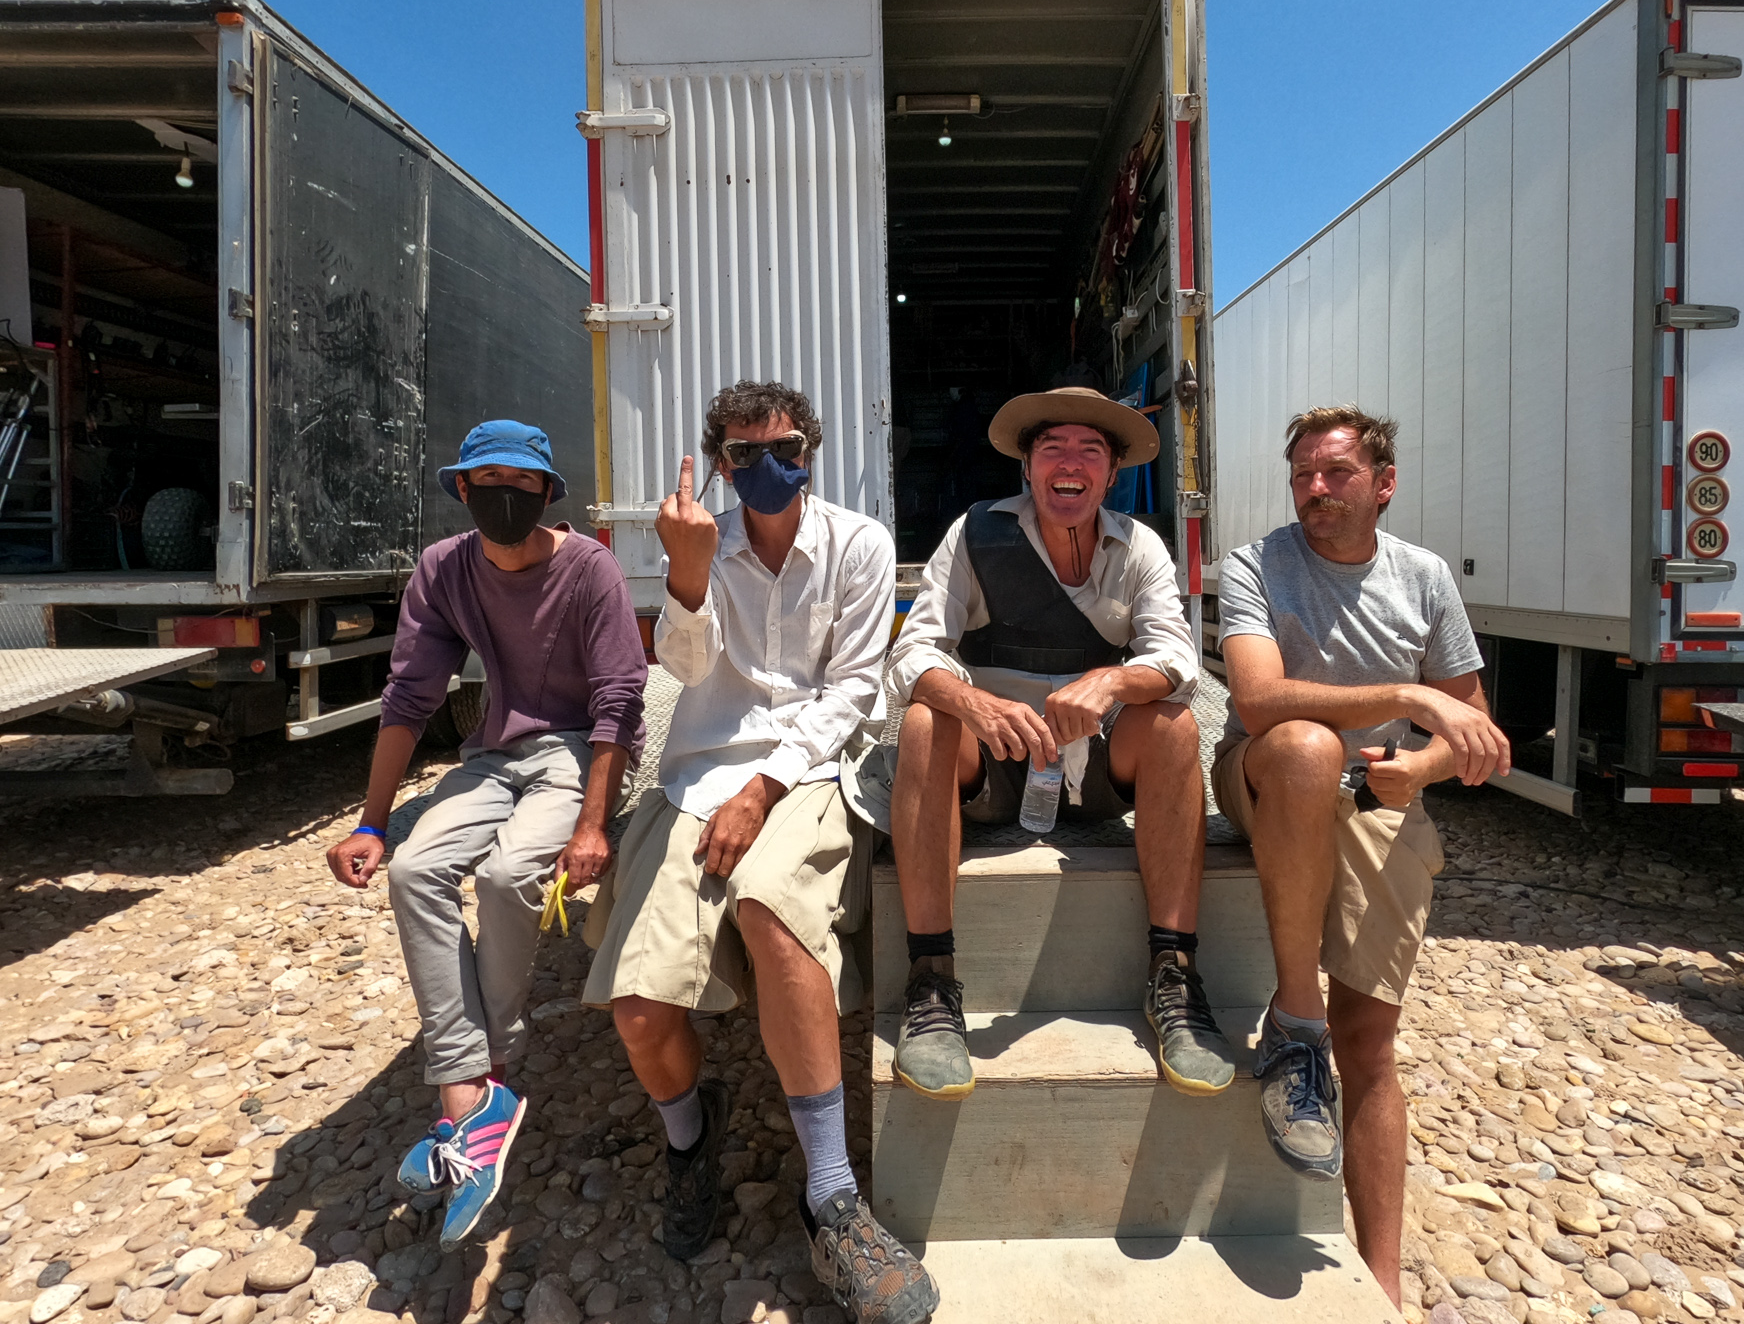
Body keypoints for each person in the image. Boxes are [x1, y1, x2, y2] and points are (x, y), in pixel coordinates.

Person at [582, 382, 937, 1324]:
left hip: (811, 772)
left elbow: (854, 688)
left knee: (772, 911)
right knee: (640, 1009)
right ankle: (691, 1136)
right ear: (720, 464)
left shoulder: (858, 545)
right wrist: (688, 575)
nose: (768, 468)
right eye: (745, 455)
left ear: (810, 452)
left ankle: (833, 1197)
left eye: (785, 450)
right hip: (699, 776)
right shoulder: (701, 545)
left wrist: (765, 787)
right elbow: (685, 671)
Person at [324, 420, 646, 1251]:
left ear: (546, 490)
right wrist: (373, 821)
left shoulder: (590, 569)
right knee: (415, 872)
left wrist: (593, 824)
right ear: (462, 489)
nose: (506, 494)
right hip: (494, 753)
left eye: (522, 481)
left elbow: (619, 701)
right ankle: (480, 1097)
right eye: (488, 480)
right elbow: (409, 697)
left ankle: (475, 1091)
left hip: (575, 753)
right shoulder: (444, 569)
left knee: (508, 878)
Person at [1213, 404, 1509, 1309]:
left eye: (1336, 472)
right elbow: (1257, 702)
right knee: (1306, 746)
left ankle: (1382, 1284)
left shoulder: (1423, 577)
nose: (1316, 488)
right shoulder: (1256, 565)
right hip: (1267, 773)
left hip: (1381, 794)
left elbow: (1474, 729)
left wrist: (1418, 767)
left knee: (1372, 1042)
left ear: (1384, 485)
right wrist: (1407, 695)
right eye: (1303, 473)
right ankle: (1294, 1026)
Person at [886, 385, 1236, 1103]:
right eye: (1053, 447)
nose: (1070, 463)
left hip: (1096, 767)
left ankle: (1174, 973)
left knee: (1174, 725)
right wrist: (974, 702)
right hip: (996, 766)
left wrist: (1112, 681)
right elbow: (912, 653)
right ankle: (931, 980)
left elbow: (1178, 657)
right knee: (926, 718)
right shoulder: (974, 534)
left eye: (1090, 451)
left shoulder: (1140, 546)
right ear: (1027, 466)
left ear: (1111, 475)